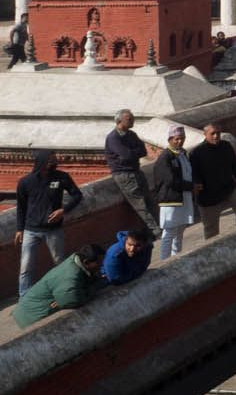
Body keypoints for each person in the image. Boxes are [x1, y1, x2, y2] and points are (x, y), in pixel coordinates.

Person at [13, 150, 83, 297]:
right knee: (26, 266)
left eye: (54, 160)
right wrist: (19, 229)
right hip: (31, 230)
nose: (54, 163)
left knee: (59, 263)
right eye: (51, 160)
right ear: (42, 162)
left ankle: (63, 291)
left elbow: (77, 195)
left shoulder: (62, 177)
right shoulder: (25, 182)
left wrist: (63, 211)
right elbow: (21, 207)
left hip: (53, 230)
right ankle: (24, 295)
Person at [14, 244, 105, 328]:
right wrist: (92, 289)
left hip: (27, 310)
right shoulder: (71, 275)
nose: (102, 264)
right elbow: (73, 300)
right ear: (86, 262)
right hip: (29, 317)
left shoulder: (76, 262)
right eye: (99, 262)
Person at [103, 108, 158, 236]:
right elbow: (126, 155)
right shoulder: (113, 138)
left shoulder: (131, 134)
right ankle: (155, 231)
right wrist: (132, 153)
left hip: (136, 171)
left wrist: (131, 154)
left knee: (149, 201)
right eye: (129, 119)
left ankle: (157, 228)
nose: (132, 120)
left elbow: (143, 151)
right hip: (124, 175)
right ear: (119, 121)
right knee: (140, 205)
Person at [149, 126, 198, 260]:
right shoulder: (165, 157)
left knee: (180, 231)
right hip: (171, 200)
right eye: (177, 139)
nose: (180, 141)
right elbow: (169, 180)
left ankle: (176, 257)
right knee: (169, 232)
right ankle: (165, 261)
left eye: (182, 138)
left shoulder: (183, 154)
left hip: (184, 197)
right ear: (170, 139)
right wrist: (190, 186)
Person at [192, 123, 236, 236]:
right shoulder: (197, 152)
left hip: (228, 188)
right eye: (212, 133)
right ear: (205, 134)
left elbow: (234, 164)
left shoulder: (226, 146)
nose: (216, 136)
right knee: (211, 229)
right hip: (208, 195)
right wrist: (197, 184)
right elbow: (194, 173)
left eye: (218, 133)